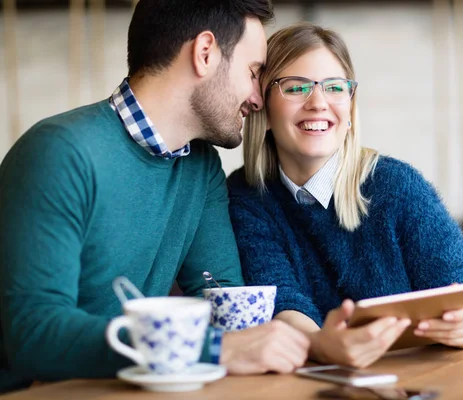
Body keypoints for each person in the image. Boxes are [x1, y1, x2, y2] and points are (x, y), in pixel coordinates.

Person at [0, 0, 309, 394]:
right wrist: (212, 350)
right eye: (252, 73)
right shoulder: (58, 153)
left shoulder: (201, 168)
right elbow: (36, 334)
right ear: (205, 53)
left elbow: (222, 301)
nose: (258, 98)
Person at [227, 22, 463, 369]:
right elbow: (283, 302)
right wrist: (324, 345)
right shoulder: (246, 197)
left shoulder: (399, 187)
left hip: (424, 381)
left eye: (335, 87)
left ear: (351, 108)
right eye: (296, 88)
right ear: (262, 106)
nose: (318, 103)